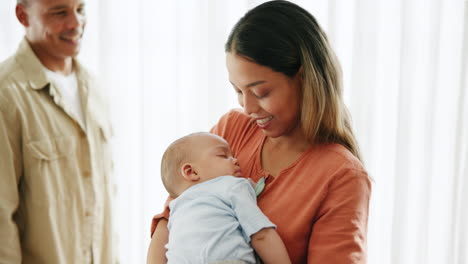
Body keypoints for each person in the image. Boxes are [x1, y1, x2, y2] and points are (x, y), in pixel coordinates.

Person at [148, 1, 371, 263]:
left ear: (304, 78)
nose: (248, 107)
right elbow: (171, 219)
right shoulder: (228, 133)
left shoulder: (341, 176)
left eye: (260, 92)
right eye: (239, 91)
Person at [0, 0, 116, 263]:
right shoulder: (6, 96)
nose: (76, 23)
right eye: (60, 12)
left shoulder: (95, 89)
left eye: (80, 9)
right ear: (22, 15)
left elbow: (104, 203)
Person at [158, 132, 291, 264]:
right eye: (223, 156)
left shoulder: (176, 207)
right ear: (191, 172)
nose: (236, 160)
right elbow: (261, 235)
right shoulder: (231, 184)